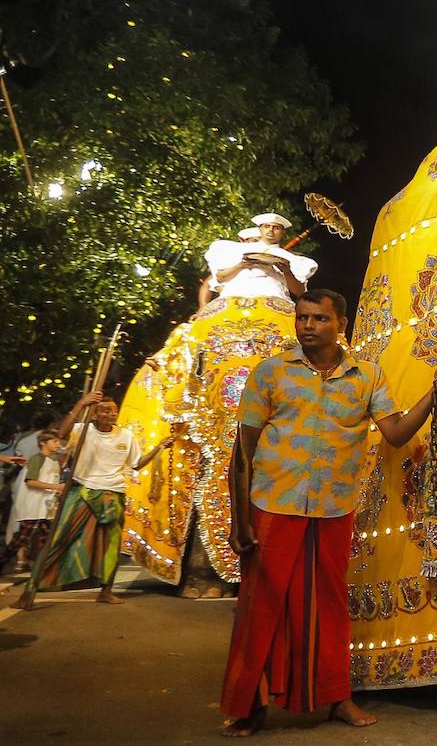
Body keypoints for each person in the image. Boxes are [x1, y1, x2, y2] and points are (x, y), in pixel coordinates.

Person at [219, 289, 437, 737]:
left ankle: (337, 698)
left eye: (320, 319)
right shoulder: (271, 372)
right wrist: (238, 520)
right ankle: (249, 705)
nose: (308, 326)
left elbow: (396, 434)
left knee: (329, 607)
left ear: (341, 325)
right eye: (303, 318)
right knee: (260, 608)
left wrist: (436, 392)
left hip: (333, 507)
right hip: (272, 504)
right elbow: (243, 450)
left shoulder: (367, 377)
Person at [122, 212, 318, 596]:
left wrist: (281, 266)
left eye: (277, 228)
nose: (271, 232)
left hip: (279, 325)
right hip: (214, 337)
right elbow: (216, 281)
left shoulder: (292, 262)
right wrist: (241, 266)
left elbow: (298, 291)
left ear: (282, 233)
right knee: (175, 369)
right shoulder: (229, 255)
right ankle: (197, 563)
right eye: (266, 227)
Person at [16, 392, 175, 608]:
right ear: (94, 414)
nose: (112, 414)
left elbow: (137, 463)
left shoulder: (126, 435)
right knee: (58, 539)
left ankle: (106, 591)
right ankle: (30, 590)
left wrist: (159, 447)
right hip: (82, 492)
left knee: (111, 545)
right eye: (105, 410)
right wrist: (82, 403)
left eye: (114, 410)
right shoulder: (82, 431)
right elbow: (61, 434)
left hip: (113, 494)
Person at [0, 430, 63, 571]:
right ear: (43, 443)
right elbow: (31, 482)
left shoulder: (54, 461)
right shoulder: (37, 459)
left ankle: (46, 569)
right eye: (54, 441)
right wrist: (56, 487)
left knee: (47, 538)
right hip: (34, 505)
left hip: (47, 506)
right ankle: (4, 560)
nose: (58, 444)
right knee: (21, 538)